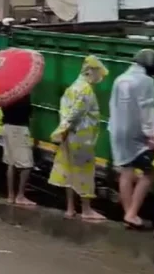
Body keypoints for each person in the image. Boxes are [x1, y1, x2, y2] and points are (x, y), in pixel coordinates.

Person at [109, 49, 154, 230]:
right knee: (152, 170)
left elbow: (113, 105)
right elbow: (147, 110)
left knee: (126, 171)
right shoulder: (145, 81)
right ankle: (132, 213)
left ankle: (129, 215)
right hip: (135, 133)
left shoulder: (120, 79)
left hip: (117, 130)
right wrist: (153, 135)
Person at [48, 55, 108, 221]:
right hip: (82, 137)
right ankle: (87, 210)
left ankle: (70, 208)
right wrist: (66, 127)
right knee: (85, 172)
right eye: (98, 73)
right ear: (90, 72)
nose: (99, 77)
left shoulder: (73, 87)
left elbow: (65, 111)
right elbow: (76, 113)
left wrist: (62, 130)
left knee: (69, 170)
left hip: (69, 135)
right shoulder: (85, 89)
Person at [2, 93, 36, 206]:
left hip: (6, 127)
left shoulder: (6, 93)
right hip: (19, 129)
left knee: (11, 163)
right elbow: (27, 112)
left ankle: (11, 195)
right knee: (27, 164)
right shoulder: (22, 94)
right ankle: (20, 195)